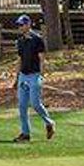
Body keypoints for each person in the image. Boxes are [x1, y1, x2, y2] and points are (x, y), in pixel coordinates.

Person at [12, 12, 54, 142]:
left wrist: (41, 75)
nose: (20, 27)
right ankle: (25, 134)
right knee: (22, 106)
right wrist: (16, 78)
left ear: (28, 24)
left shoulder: (37, 39)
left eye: (22, 25)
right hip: (23, 76)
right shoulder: (20, 41)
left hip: (34, 75)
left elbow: (42, 59)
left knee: (35, 104)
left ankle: (49, 123)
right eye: (19, 25)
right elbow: (19, 60)